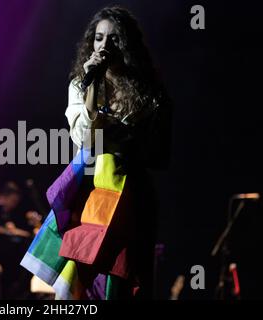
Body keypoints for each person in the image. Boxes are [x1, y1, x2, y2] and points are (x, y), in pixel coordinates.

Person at [21, 5, 172, 300]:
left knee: (123, 282)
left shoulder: (150, 93)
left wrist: (127, 142)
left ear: (127, 44)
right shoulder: (81, 84)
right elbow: (85, 138)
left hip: (131, 197)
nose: (104, 46)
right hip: (90, 194)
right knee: (84, 284)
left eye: (114, 39)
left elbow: (160, 155)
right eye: (99, 38)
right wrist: (93, 84)